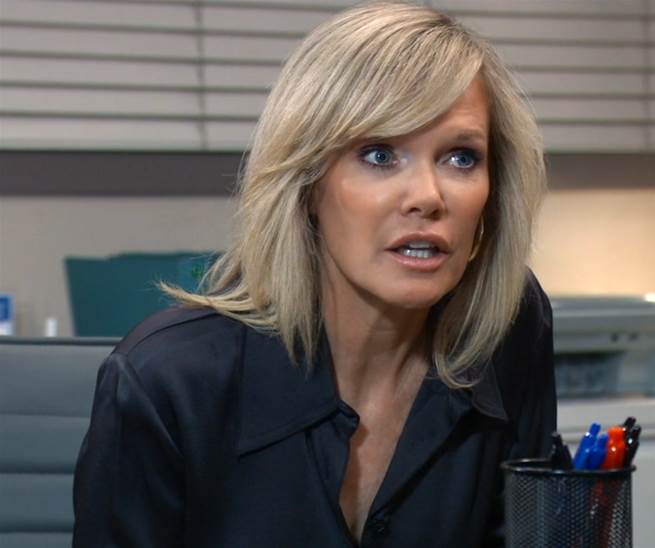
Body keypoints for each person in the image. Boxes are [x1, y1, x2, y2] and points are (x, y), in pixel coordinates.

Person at [72, 2, 555, 546]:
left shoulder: (509, 324)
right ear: (306, 183)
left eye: (461, 158)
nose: (427, 196)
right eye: (379, 154)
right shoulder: (165, 380)